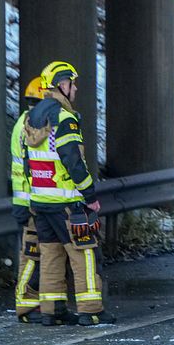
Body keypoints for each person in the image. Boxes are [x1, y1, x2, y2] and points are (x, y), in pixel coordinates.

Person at [24, 61, 114, 327]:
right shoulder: (64, 119)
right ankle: (91, 310)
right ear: (62, 85)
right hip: (67, 202)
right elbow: (73, 161)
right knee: (83, 254)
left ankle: (52, 311)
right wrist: (90, 196)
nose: (74, 89)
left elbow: (28, 162)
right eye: (72, 84)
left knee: (51, 255)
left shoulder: (32, 117)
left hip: (41, 201)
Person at [10, 76, 47, 323]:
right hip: (32, 202)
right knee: (32, 257)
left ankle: (35, 302)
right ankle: (27, 304)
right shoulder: (31, 125)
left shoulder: (23, 123)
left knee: (34, 256)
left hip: (28, 200)